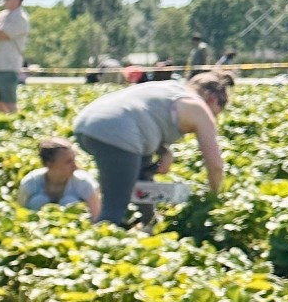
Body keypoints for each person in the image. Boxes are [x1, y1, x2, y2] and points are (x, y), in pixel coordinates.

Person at [73, 70, 230, 226]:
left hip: (85, 126)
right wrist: (214, 197)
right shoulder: (198, 107)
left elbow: (143, 116)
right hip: (117, 132)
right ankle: (102, 232)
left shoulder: (170, 87)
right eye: (215, 114)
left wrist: (164, 151)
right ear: (212, 99)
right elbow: (215, 166)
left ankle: (149, 221)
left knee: (139, 180)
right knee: (115, 208)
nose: (212, 118)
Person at [18, 137, 100, 218]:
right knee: (38, 201)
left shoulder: (84, 183)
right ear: (49, 163)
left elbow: (96, 217)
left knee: (69, 202)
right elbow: (19, 214)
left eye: (74, 160)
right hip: (35, 226)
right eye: (68, 162)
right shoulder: (31, 182)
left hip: (76, 226)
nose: (75, 166)